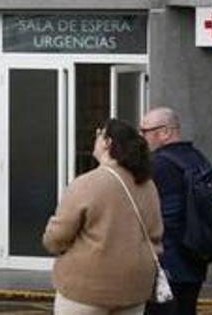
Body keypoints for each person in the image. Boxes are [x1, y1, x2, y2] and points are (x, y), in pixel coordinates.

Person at [43, 118, 163, 315]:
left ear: (107, 142)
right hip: (135, 287)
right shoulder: (148, 186)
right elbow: (156, 233)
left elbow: (57, 237)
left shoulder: (86, 183)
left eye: (99, 133)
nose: (95, 137)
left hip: (87, 288)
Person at [141, 107, 209, 315]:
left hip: (167, 263)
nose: (142, 137)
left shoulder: (158, 165)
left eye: (145, 131)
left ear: (164, 132)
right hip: (195, 260)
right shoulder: (198, 159)